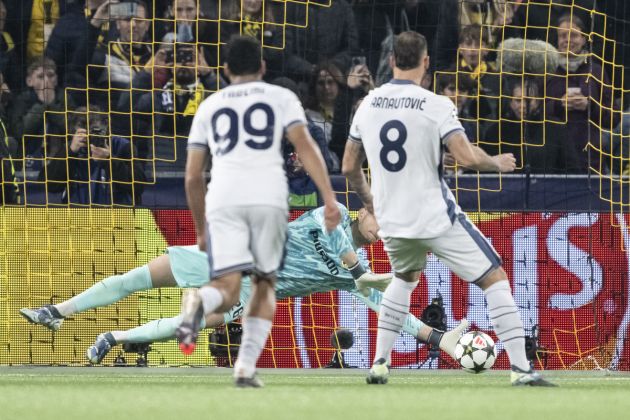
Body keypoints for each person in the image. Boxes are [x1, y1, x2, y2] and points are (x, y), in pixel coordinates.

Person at [342, 31, 555, 387]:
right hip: (435, 216)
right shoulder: (436, 105)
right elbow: (467, 157)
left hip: (394, 220)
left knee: (404, 280)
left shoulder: (368, 104)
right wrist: (497, 163)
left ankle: (379, 364)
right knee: (495, 278)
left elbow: (349, 166)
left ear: (392, 61)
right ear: (425, 63)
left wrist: (369, 202)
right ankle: (521, 370)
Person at [20, 204, 469, 365]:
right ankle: (56, 313)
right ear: (361, 211)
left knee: (190, 324)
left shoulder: (359, 263)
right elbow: (362, 275)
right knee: (138, 278)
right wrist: (402, 273)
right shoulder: (326, 219)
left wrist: (437, 337)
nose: (383, 229)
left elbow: (390, 311)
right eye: (380, 219)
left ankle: (112, 337)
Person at [178, 35, 340, 388]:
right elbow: (306, 147)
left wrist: (201, 229)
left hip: (223, 198)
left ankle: (199, 299)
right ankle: (245, 367)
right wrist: (329, 198)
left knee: (227, 288)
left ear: (224, 70)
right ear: (263, 67)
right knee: (264, 284)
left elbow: (192, 176)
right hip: (267, 197)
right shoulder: (281, 98)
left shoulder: (209, 106)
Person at [41, 105, 145, 205]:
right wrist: (69, 152)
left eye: (95, 130)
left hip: (116, 216)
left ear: (106, 127)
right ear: (74, 131)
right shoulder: (69, 148)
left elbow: (139, 186)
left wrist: (109, 160)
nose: (89, 135)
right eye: (84, 130)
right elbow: (50, 186)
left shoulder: (122, 146)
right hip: (78, 216)